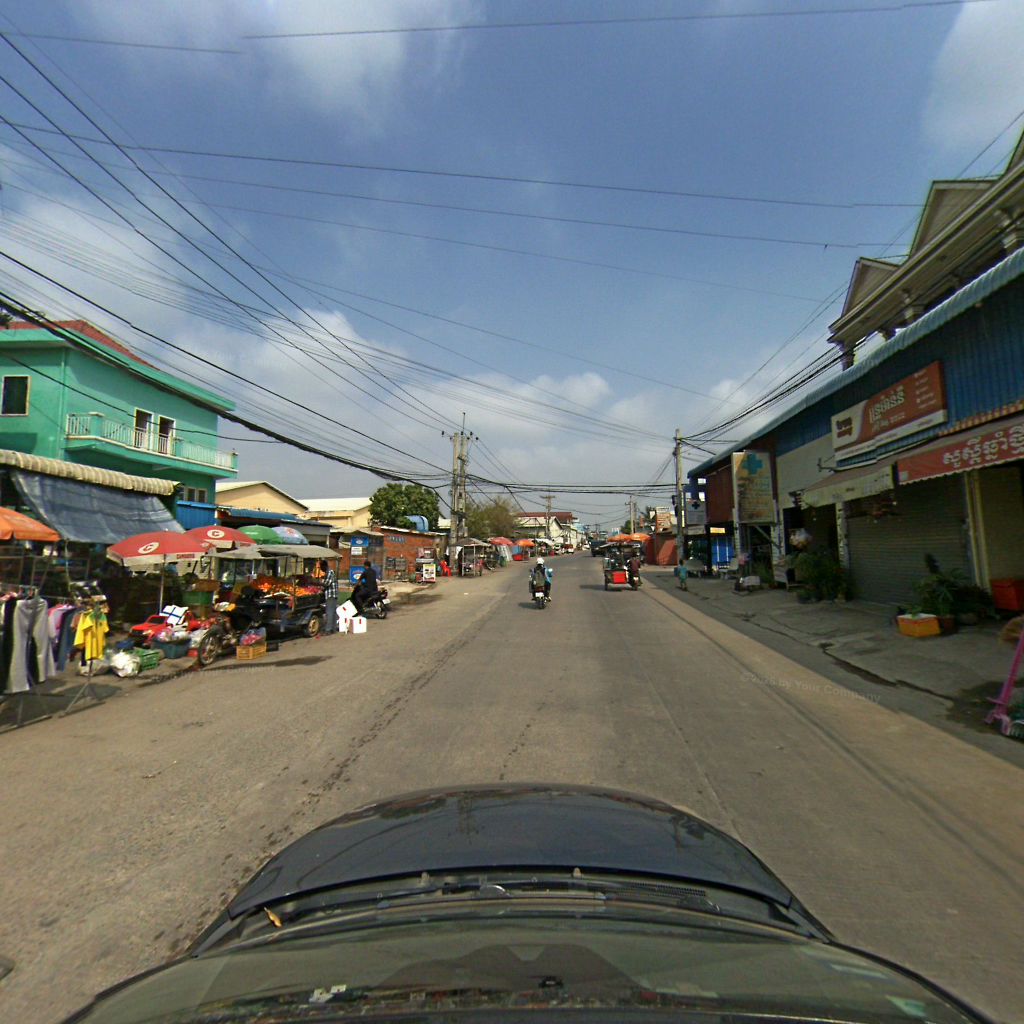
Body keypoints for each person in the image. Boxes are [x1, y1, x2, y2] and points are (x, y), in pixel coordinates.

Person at [318, 559, 338, 635]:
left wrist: (318, 583)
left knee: (329, 612)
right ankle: (333, 628)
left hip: (331, 595)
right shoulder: (329, 572)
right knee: (333, 612)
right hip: (333, 594)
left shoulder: (329, 572)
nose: (321, 569)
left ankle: (328, 630)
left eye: (321, 567)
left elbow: (326, 583)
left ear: (324, 566)